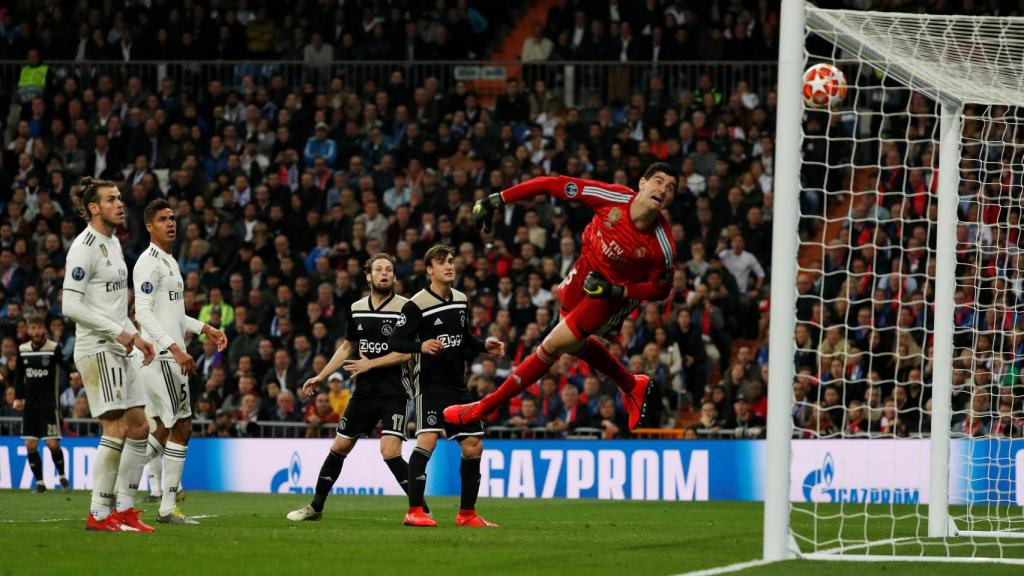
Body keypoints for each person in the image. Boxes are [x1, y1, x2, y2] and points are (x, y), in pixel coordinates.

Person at [445, 163, 679, 431]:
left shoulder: (662, 245)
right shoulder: (611, 197)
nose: (663, 189)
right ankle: (631, 384)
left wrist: (619, 291)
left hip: (610, 294)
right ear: (642, 184)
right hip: (584, 270)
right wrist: (496, 199)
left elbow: (661, 289)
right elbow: (550, 184)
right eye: (658, 181)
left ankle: (481, 408)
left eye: (670, 188)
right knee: (572, 343)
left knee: (552, 345)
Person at [287, 253, 423, 522]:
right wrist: (322, 376)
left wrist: (370, 364)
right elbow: (348, 346)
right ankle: (316, 507)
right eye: (379, 269)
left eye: (389, 270)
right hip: (363, 393)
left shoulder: (407, 308)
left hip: (395, 391)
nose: (384, 273)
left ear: (394, 276)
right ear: (368, 276)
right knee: (339, 446)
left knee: (390, 451)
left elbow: (408, 352)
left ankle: (419, 509)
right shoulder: (357, 308)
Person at [386, 244, 505, 528]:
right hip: (429, 384)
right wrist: (420, 346)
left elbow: (463, 337)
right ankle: (414, 511)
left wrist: (483, 346)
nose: (449, 266)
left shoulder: (461, 299)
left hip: (457, 386)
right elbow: (395, 341)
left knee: (474, 447)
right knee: (427, 440)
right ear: (430, 270)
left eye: (451, 260)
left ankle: (467, 514)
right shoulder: (416, 304)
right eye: (441, 262)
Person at [63, 177, 156, 532]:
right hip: (98, 347)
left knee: (140, 426)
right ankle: (99, 513)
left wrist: (135, 335)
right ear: (93, 208)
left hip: (121, 345)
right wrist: (118, 332)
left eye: (120, 198)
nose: (120, 204)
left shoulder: (114, 242)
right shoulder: (83, 247)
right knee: (115, 427)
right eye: (111, 199)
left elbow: (114, 306)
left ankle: (125, 508)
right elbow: (70, 304)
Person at [133, 198, 228, 524]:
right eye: (163, 219)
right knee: (182, 426)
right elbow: (142, 312)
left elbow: (174, 315)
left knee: (163, 428)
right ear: (149, 226)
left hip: (164, 354)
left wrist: (206, 329)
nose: (171, 223)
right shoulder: (148, 263)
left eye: (172, 218)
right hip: (161, 356)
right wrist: (174, 348)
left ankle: (119, 484)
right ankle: (167, 507)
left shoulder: (171, 262)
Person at [13, 317, 71, 492]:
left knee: (53, 444)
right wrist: (18, 397)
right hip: (30, 407)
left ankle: (62, 476)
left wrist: (73, 372)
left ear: (44, 329)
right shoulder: (23, 349)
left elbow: (64, 364)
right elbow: (18, 376)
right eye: (33, 328)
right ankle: (39, 483)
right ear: (28, 330)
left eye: (39, 328)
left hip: (49, 406)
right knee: (30, 445)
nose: (37, 332)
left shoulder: (53, 348)